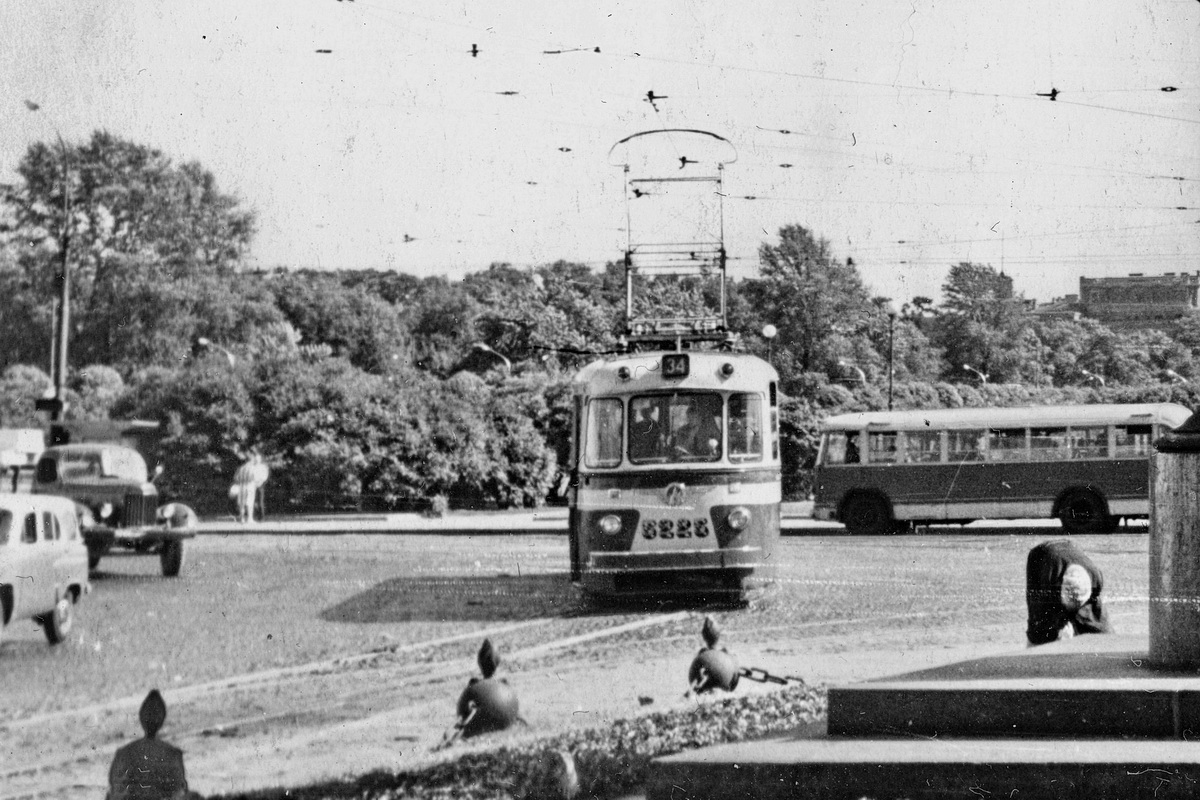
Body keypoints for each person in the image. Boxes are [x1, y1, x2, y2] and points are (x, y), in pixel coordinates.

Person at [107, 689, 191, 800]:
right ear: (162, 719)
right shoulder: (173, 754)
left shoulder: (123, 753)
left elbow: (114, 790)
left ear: (141, 717)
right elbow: (180, 791)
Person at [1025, 539, 1111, 645]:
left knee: (1100, 628)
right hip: (1041, 555)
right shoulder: (1049, 582)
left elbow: (1097, 614)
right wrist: (1059, 629)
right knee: (1041, 629)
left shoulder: (1096, 580)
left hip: (1069, 547)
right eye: (1069, 604)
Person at [231, 452, 269, 524]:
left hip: (241, 487)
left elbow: (236, 478)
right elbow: (254, 477)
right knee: (249, 503)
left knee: (242, 504)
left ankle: (242, 519)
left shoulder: (241, 468)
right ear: (250, 461)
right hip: (250, 486)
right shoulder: (252, 468)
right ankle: (250, 519)